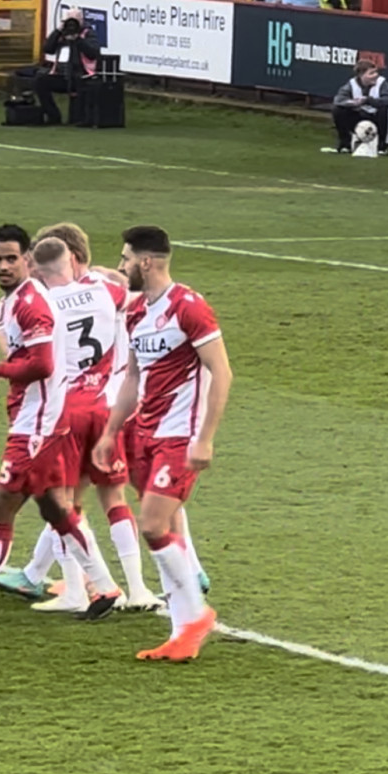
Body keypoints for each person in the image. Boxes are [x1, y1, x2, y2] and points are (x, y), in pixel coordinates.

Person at [0, 224, 123, 627]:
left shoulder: (31, 304)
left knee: (1, 510)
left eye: (10, 258)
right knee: (55, 507)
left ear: (29, 260)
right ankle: (105, 586)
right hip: (37, 418)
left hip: (38, 425)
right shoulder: (11, 302)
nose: (2, 266)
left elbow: (42, 364)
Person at [0, 223, 161, 614]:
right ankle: (138, 590)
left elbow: (20, 357)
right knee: (114, 498)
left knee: (62, 503)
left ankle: (74, 590)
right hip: (105, 406)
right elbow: (138, 292)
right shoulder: (106, 290)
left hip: (63, 411)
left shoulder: (39, 304)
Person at [93, 226, 233, 663]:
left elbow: (222, 373)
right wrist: (112, 431)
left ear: (146, 262)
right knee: (165, 530)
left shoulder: (189, 307)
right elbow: (134, 376)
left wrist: (206, 438)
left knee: (153, 524)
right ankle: (181, 632)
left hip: (179, 436)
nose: (121, 266)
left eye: (125, 259)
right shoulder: (136, 314)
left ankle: (197, 616)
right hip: (143, 433)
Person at [35, 8, 101, 126]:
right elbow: (48, 49)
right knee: (41, 82)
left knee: (76, 117)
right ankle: (53, 116)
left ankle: (80, 118)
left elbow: (93, 54)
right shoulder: (61, 35)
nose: (71, 25)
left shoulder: (88, 34)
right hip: (61, 75)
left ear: (81, 21)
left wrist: (78, 40)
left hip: (81, 76)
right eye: (68, 21)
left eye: (74, 21)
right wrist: (58, 31)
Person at [326, 60, 388, 154]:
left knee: (384, 109)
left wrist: (369, 100)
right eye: (371, 73)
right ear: (361, 75)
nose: (375, 75)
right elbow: (338, 100)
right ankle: (345, 144)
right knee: (338, 110)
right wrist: (353, 103)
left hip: (378, 118)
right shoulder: (351, 84)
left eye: (376, 72)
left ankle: (382, 145)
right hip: (359, 115)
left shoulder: (382, 83)